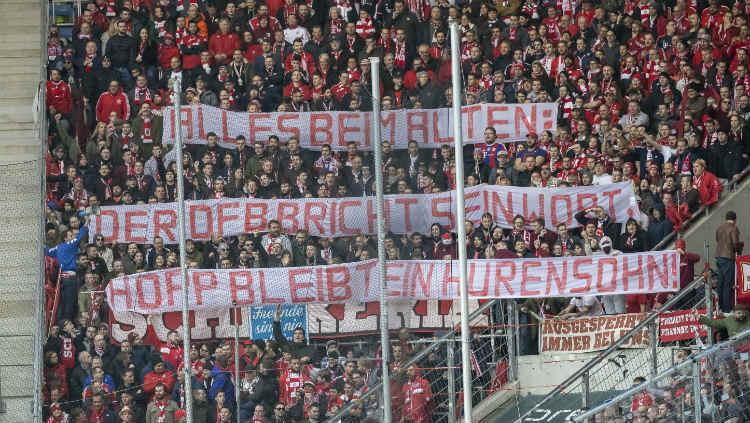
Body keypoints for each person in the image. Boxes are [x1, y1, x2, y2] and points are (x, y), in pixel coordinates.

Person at [716, 211, 743, 312]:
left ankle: (719, 306)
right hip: (728, 258)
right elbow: (735, 243)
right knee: (728, 284)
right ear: (735, 220)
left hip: (719, 257)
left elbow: (717, 239)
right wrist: (739, 250)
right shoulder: (733, 228)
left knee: (720, 283)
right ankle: (727, 309)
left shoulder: (720, 227)